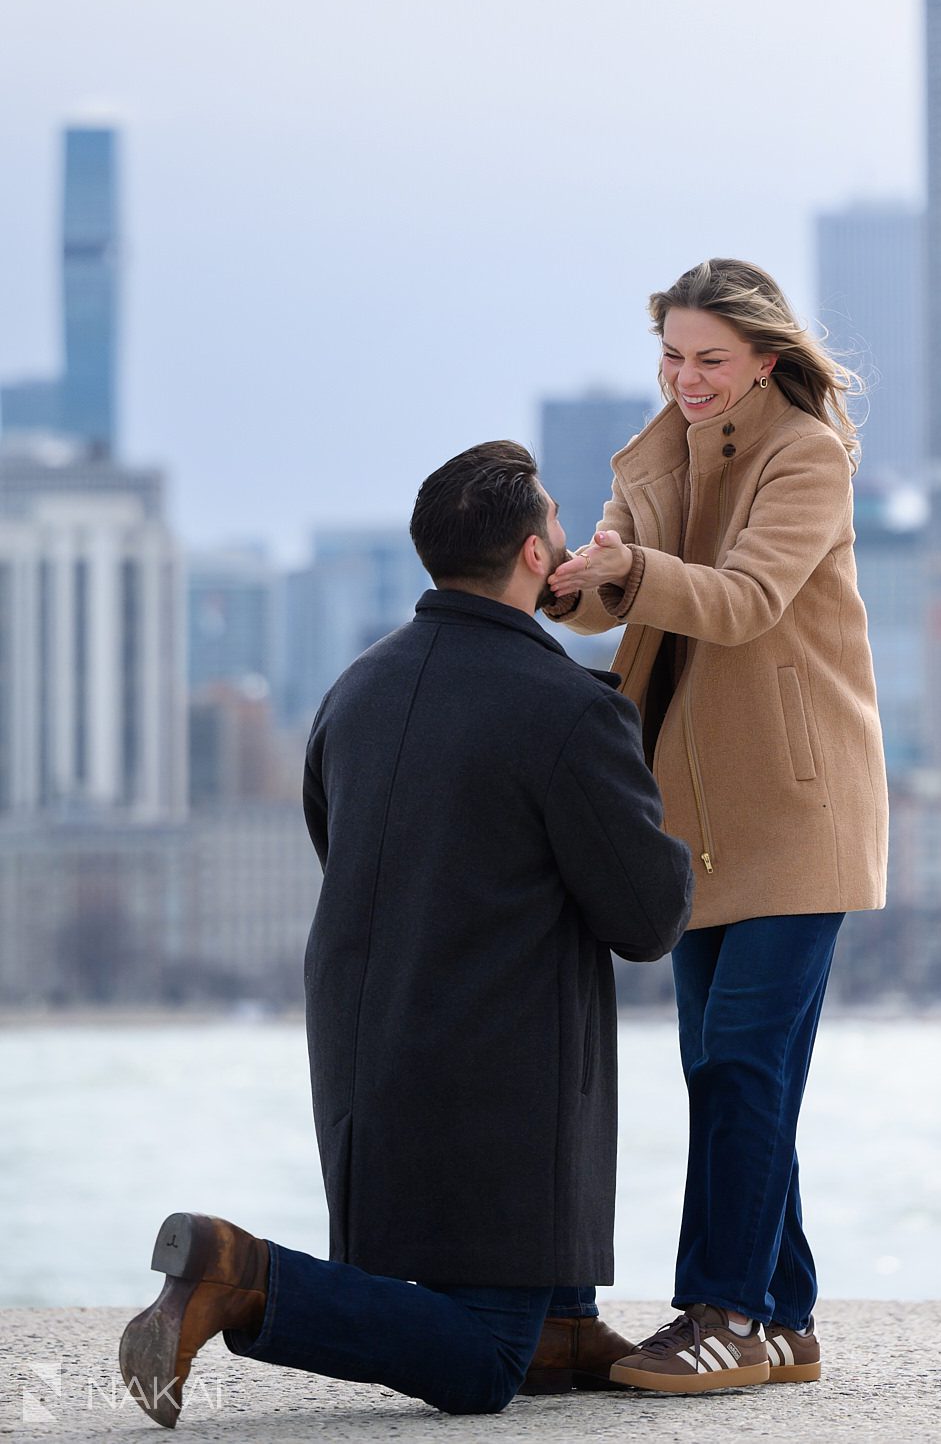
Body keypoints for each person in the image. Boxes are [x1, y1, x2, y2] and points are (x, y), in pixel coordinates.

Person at [118, 441, 694, 1427]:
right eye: (555, 526)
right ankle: (239, 1276)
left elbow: (338, 849)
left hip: (363, 1068)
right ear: (529, 552)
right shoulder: (569, 710)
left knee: (514, 1336)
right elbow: (646, 920)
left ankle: (564, 1320)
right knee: (482, 1364)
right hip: (499, 1083)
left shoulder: (354, 693)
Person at [545, 259, 888, 1394]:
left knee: (743, 1064)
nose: (686, 380)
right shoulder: (653, 454)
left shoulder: (808, 457)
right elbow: (615, 597)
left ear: (765, 361)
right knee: (722, 1067)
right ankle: (784, 1318)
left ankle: (723, 1314)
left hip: (799, 809)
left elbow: (741, 601)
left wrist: (630, 569)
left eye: (710, 360)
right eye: (673, 356)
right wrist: (573, 582)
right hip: (684, 813)